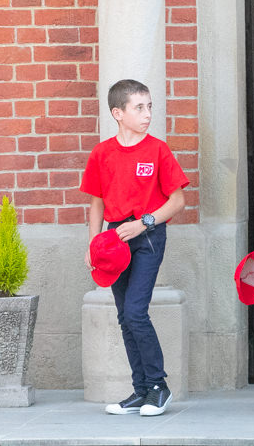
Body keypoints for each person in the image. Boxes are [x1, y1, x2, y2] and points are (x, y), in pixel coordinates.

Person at [80, 79, 189, 417]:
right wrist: (93, 244)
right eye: (139, 107)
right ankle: (141, 390)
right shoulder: (102, 153)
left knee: (135, 311)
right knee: (125, 317)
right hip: (114, 240)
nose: (147, 114)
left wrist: (144, 223)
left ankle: (159, 386)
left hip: (148, 237)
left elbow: (178, 201)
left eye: (149, 106)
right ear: (118, 113)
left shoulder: (158, 150)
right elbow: (97, 203)